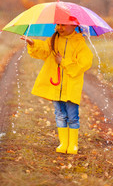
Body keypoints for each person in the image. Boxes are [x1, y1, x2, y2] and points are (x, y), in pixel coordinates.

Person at [20, 23, 93, 154]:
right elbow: (43, 50)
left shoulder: (79, 43)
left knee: (72, 116)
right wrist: (33, 43)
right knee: (60, 115)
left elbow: (85, 62)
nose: (60, 27)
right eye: (58, 24)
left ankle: (73, 144)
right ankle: (63, 143)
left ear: (74, 25)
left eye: (63, 25)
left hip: (71, 86)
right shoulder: (53, 40)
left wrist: (63, 62)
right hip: (56, 85)